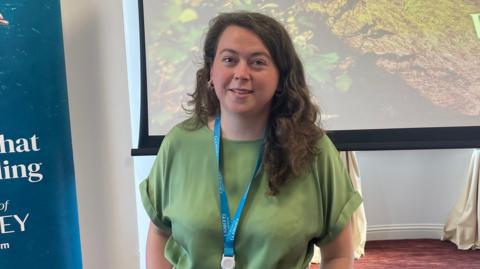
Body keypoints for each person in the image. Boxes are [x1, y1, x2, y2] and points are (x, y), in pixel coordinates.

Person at [140, 11, 362, 269]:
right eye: (229, 59)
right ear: (211, 71)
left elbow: (338, 254)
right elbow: (159, 233)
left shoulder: (314, 150)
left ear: (281, 77)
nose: (241, 73)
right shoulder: (179, 144)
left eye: (258, 62)